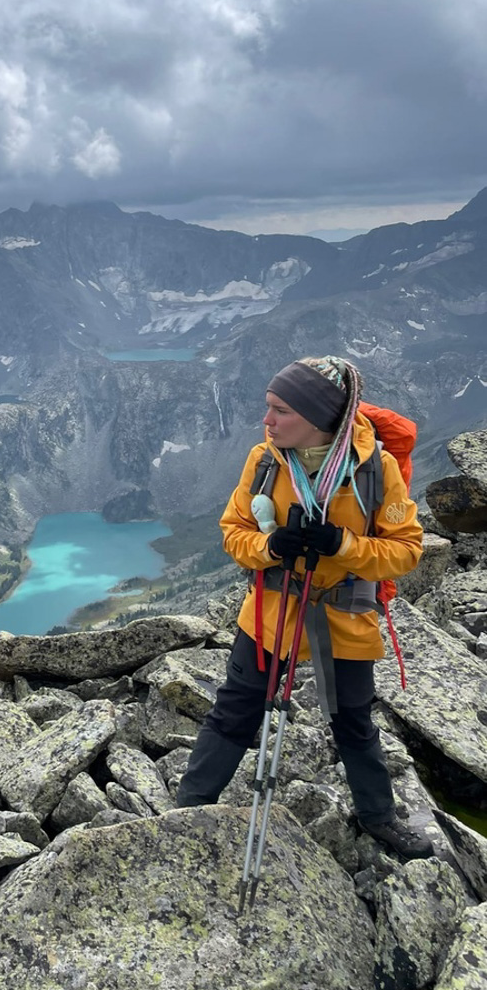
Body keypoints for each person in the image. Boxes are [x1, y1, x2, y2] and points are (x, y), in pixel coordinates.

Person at [176, 355, 433, 858]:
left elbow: (406, 550)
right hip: (269, 613)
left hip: (342, 618)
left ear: (319, 417)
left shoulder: (374, 468)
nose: (267, 421)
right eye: (268, 408)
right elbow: (234, 533)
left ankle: (379, 816)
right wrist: (272, 549)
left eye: (280, 411)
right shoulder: (265, 459)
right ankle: (190, 805)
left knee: (352, 721)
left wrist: (341, 545)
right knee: (235, 710)